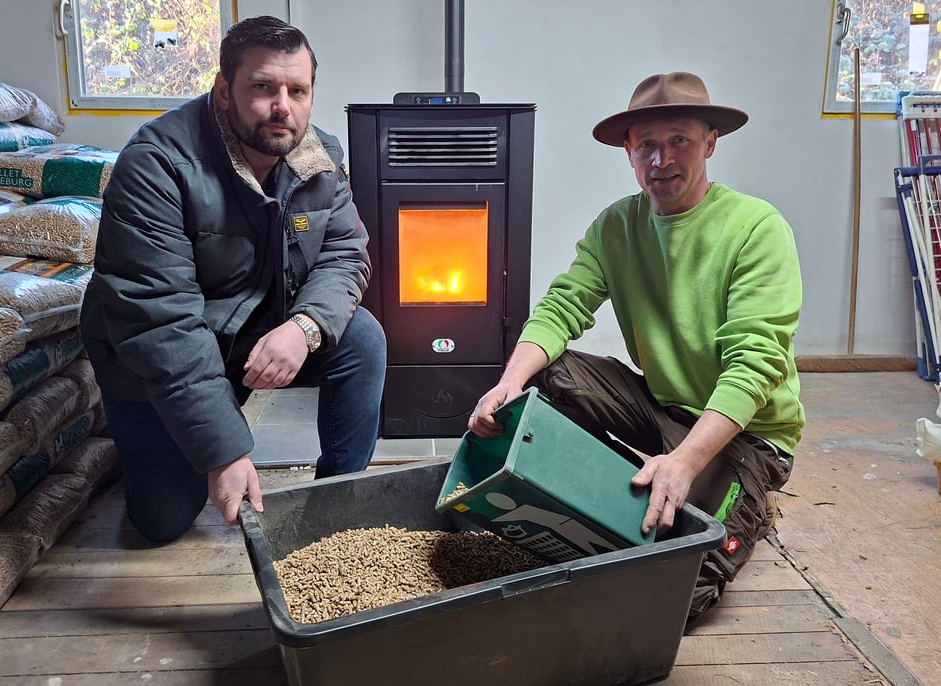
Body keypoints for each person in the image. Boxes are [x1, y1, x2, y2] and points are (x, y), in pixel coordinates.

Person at [467, 72, 804, 619]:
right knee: (545, 376)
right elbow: (562, 308)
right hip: (662, 403)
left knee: (677, 596)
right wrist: (507, 385)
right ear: (628, 151)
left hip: (746, 436)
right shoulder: (616, 227)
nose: (661, 159)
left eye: (679, 141)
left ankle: (743, 502)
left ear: (710, 144)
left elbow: (755, 364)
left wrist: (687, 461)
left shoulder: (756, 228)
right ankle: (609, 494)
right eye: (646, 144)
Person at [80, 15, 386, 544]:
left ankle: (337, 503)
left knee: (362, 339)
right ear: (223, 90)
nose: (282, 107)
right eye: (263, 88)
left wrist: (306, 326)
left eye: (298, 90)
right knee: (162, 522)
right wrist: (224, 449)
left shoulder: (320, 157)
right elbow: (162, 323)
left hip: (252, 330)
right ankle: (146, 439)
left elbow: (344, 252)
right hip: (156, 358)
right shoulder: (156, 165)